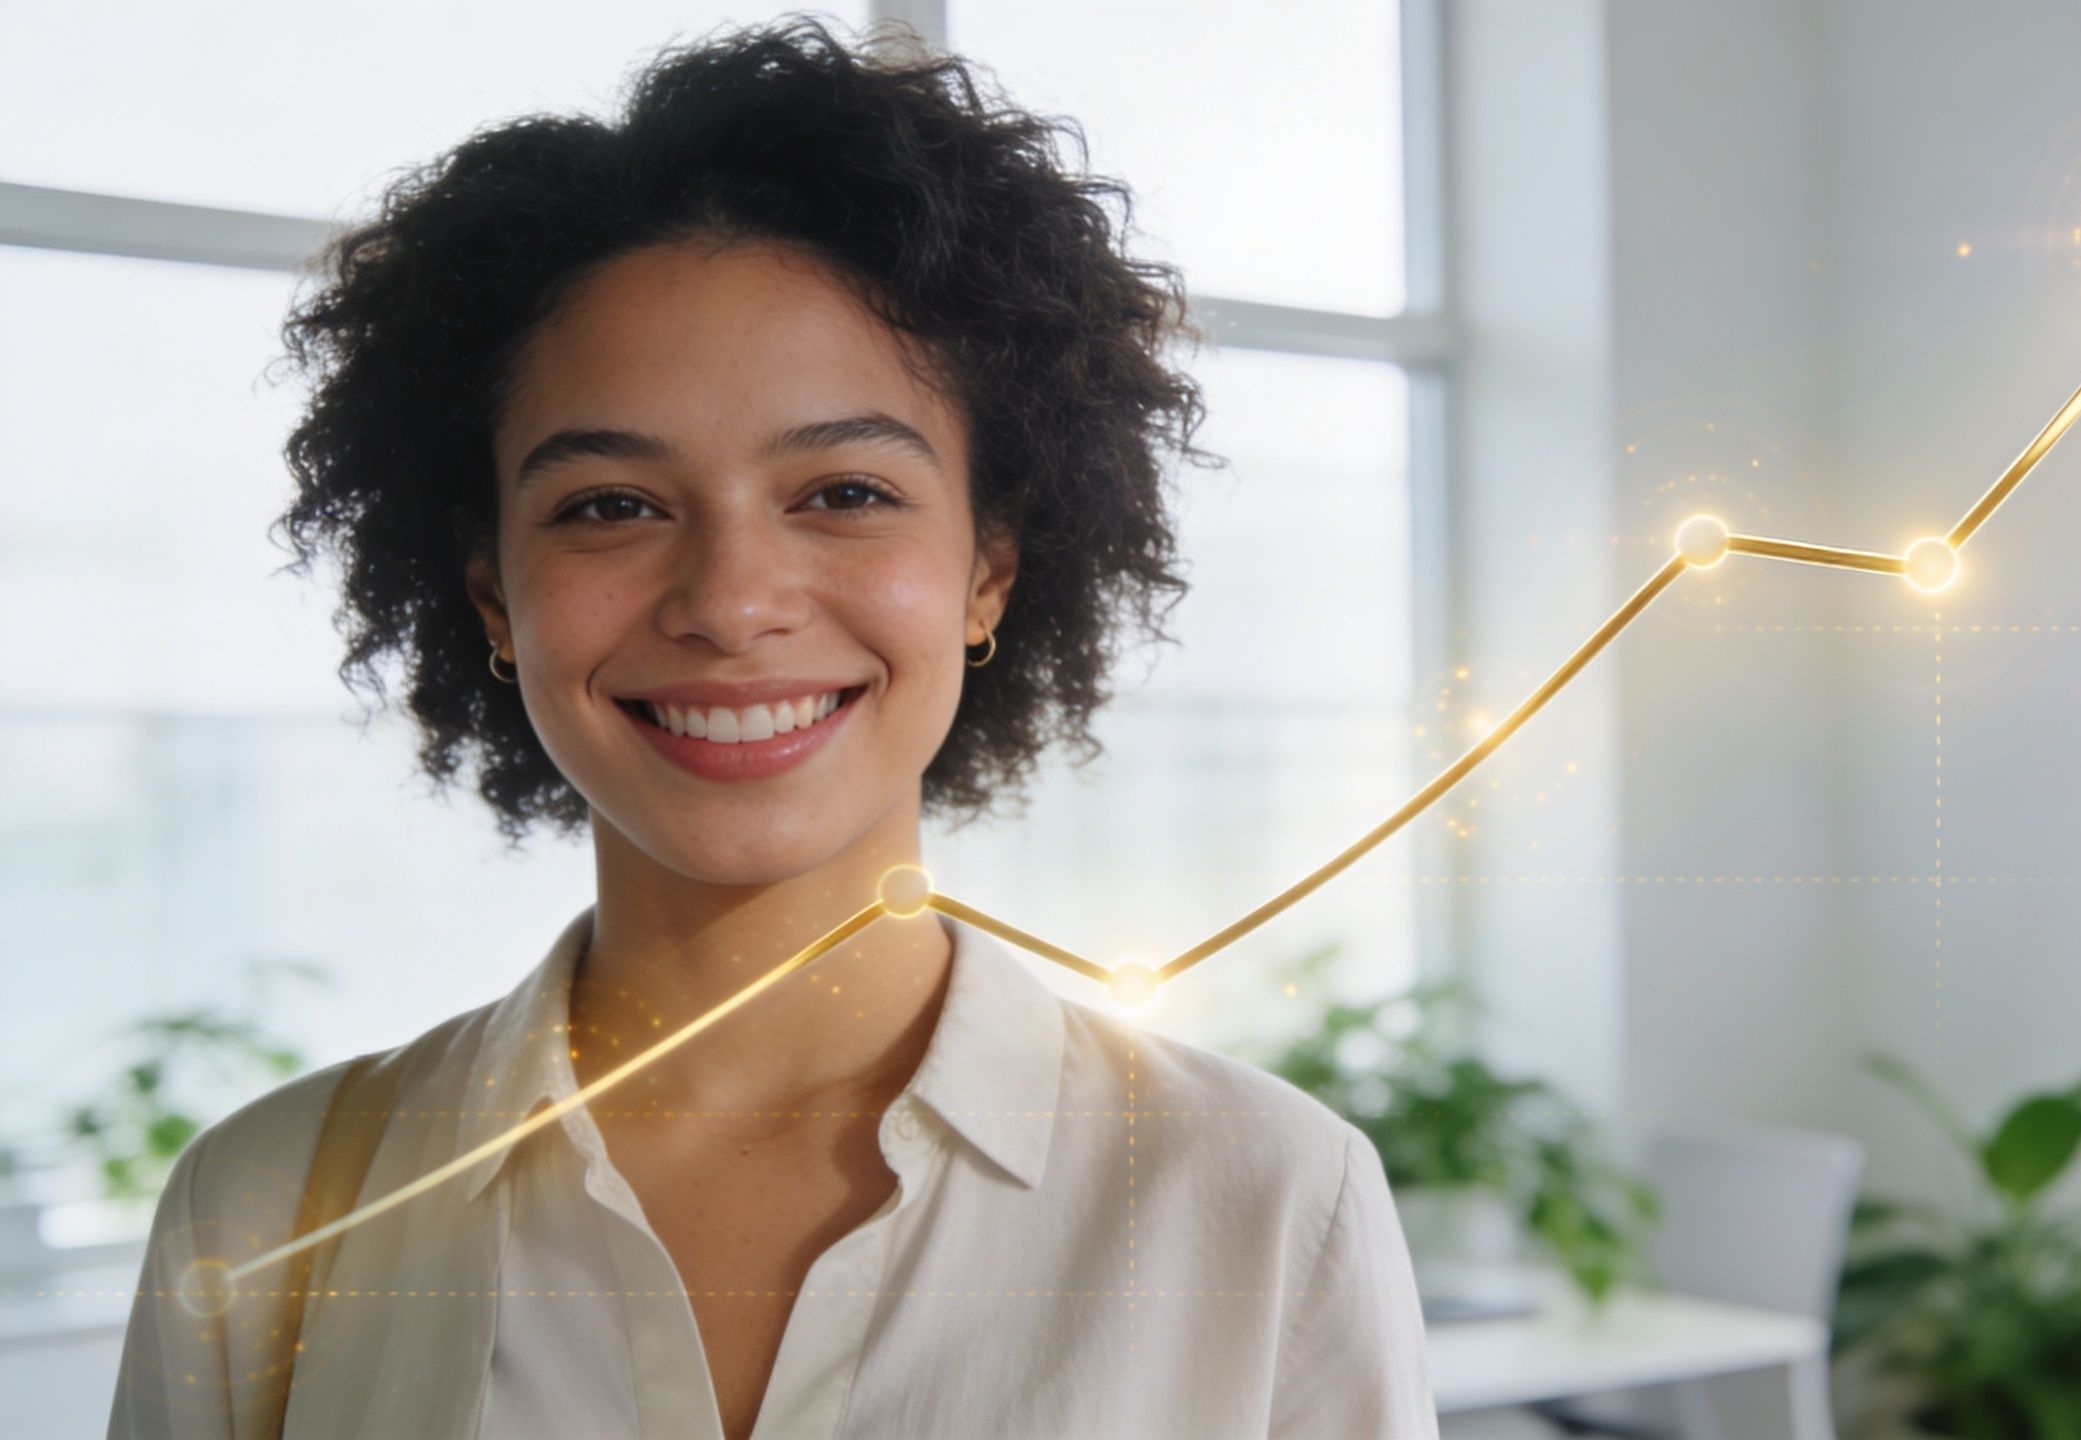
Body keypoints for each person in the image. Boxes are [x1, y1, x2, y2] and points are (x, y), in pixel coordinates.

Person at [108, 15, 1436, 1439]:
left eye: (846, 493)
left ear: (989, 567)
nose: (732, 603)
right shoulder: (271, 1212)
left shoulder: (1264, 1205)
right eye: (611, 505)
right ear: (494, 595)